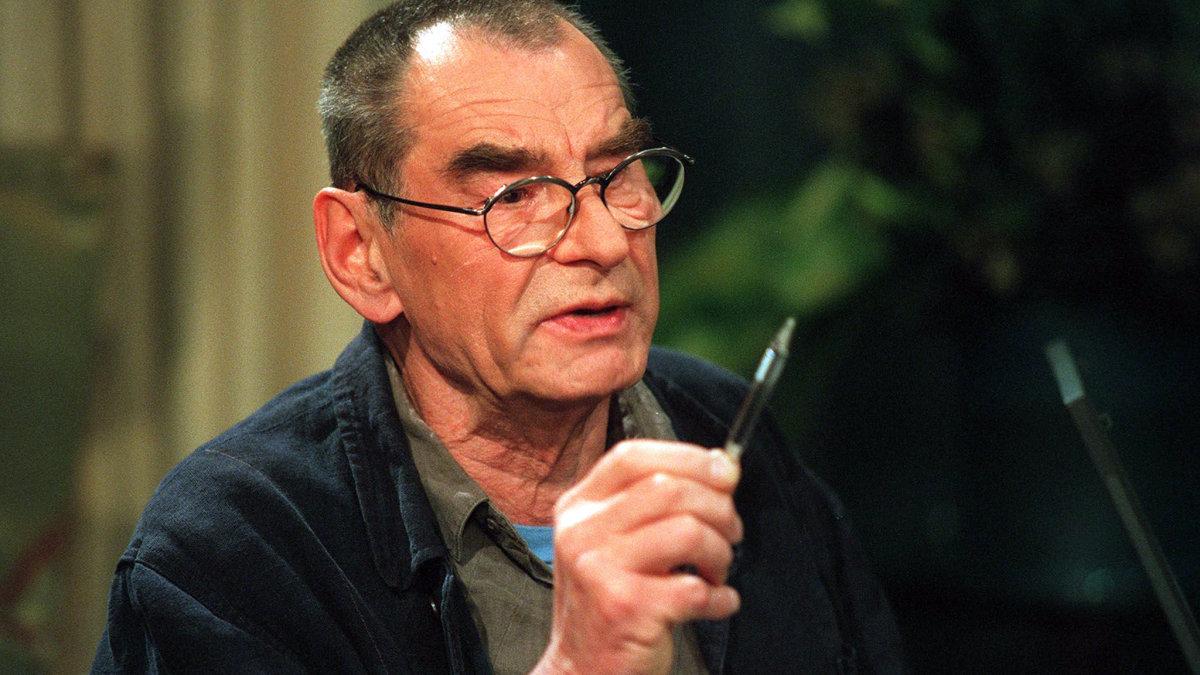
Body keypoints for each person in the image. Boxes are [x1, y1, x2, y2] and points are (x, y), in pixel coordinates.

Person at [92, 1, 903, 672]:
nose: (603, 242)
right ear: (360, 253)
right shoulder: (235, 551)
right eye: (514, 195)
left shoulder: (730, 435)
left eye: (618, 173)